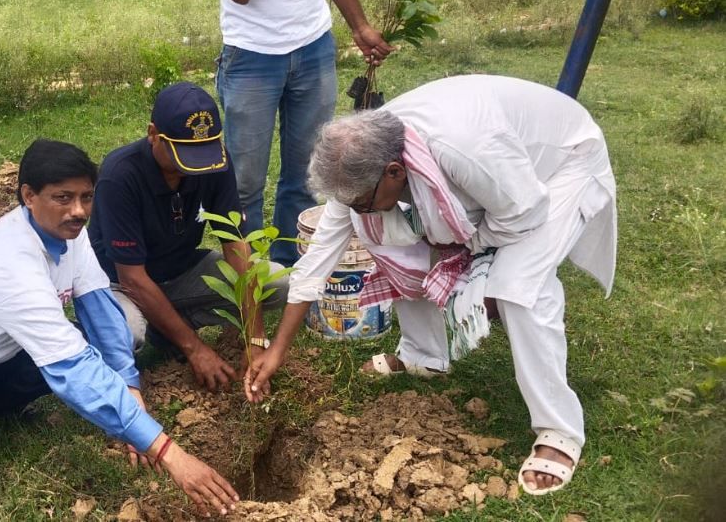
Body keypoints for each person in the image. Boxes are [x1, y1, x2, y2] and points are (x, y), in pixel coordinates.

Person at [245, 75, 617, 497]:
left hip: (560, 164)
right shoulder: (359, 167)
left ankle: (558, 430)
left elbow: (525, 214)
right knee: (392, 242)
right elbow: (313, 268)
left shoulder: (465, 148)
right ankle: (425, 356)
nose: (355, 211)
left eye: (361, 202)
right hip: (500, 183)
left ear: (394, 172)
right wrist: (276, 350)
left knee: (520, 286)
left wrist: (469, 263)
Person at [0, 139, 239, 516]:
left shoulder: (66, 234)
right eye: (63, 197)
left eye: (86, 197)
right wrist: (169, 453)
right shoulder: (13, 266)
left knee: (85, 340)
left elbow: (99, 308)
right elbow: (72, 369)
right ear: (29, 195)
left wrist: (129, 386)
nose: (78, 211)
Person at [190, 0, 393, 266]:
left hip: (314, 45)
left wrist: (358, 24)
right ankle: (248, 282)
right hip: (251, 55)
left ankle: (286, 268)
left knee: (306, 174)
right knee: (242, 183)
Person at [89, 82, 288, 392]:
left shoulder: (215, 160)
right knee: (127, 332)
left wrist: (255, 338)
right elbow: (132, 278)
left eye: (203, 151)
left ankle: (166, 326)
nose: (195, 166)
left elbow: (236, 246)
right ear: (153, 134)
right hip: (119, 283)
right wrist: (195, 348)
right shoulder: (120, 176)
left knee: (277, 283)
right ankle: (158, 329)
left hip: (181, 271)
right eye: (184, 153)